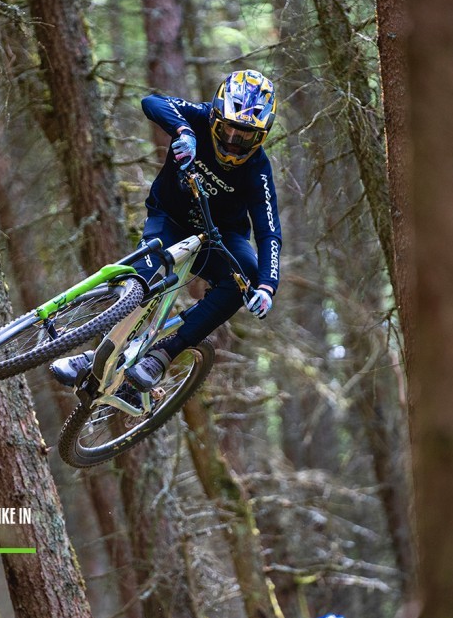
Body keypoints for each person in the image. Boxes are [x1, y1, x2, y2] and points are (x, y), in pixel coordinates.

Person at [51, 69, 282, 390]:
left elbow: (269, 232)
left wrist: (267, 287)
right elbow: (152, 102)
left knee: (246, 276)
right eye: (228, 129)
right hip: (170, 219)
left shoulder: (258, 170)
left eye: (246, 137)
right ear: (215, 117)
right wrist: (183, 130)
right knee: (142, 278)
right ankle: (94, 356)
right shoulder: (198, 117)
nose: (233, 142)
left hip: (219, 238)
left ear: (261, 137)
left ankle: (162, 355)